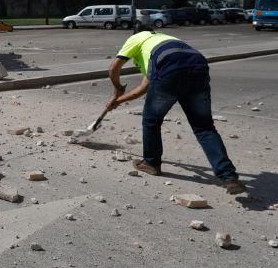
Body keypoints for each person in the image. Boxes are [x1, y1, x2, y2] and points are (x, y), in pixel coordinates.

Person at [104, 29, 245, 194]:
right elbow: (143, 88)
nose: (136, 65)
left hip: (170, 69)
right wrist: (118, 101)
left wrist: (118, 88)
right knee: (204, 127)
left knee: (151, 121)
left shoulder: (137, 37)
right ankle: (229, 177)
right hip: (198, 66)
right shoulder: (165, 42)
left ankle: (151, 163)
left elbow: (114, 67)